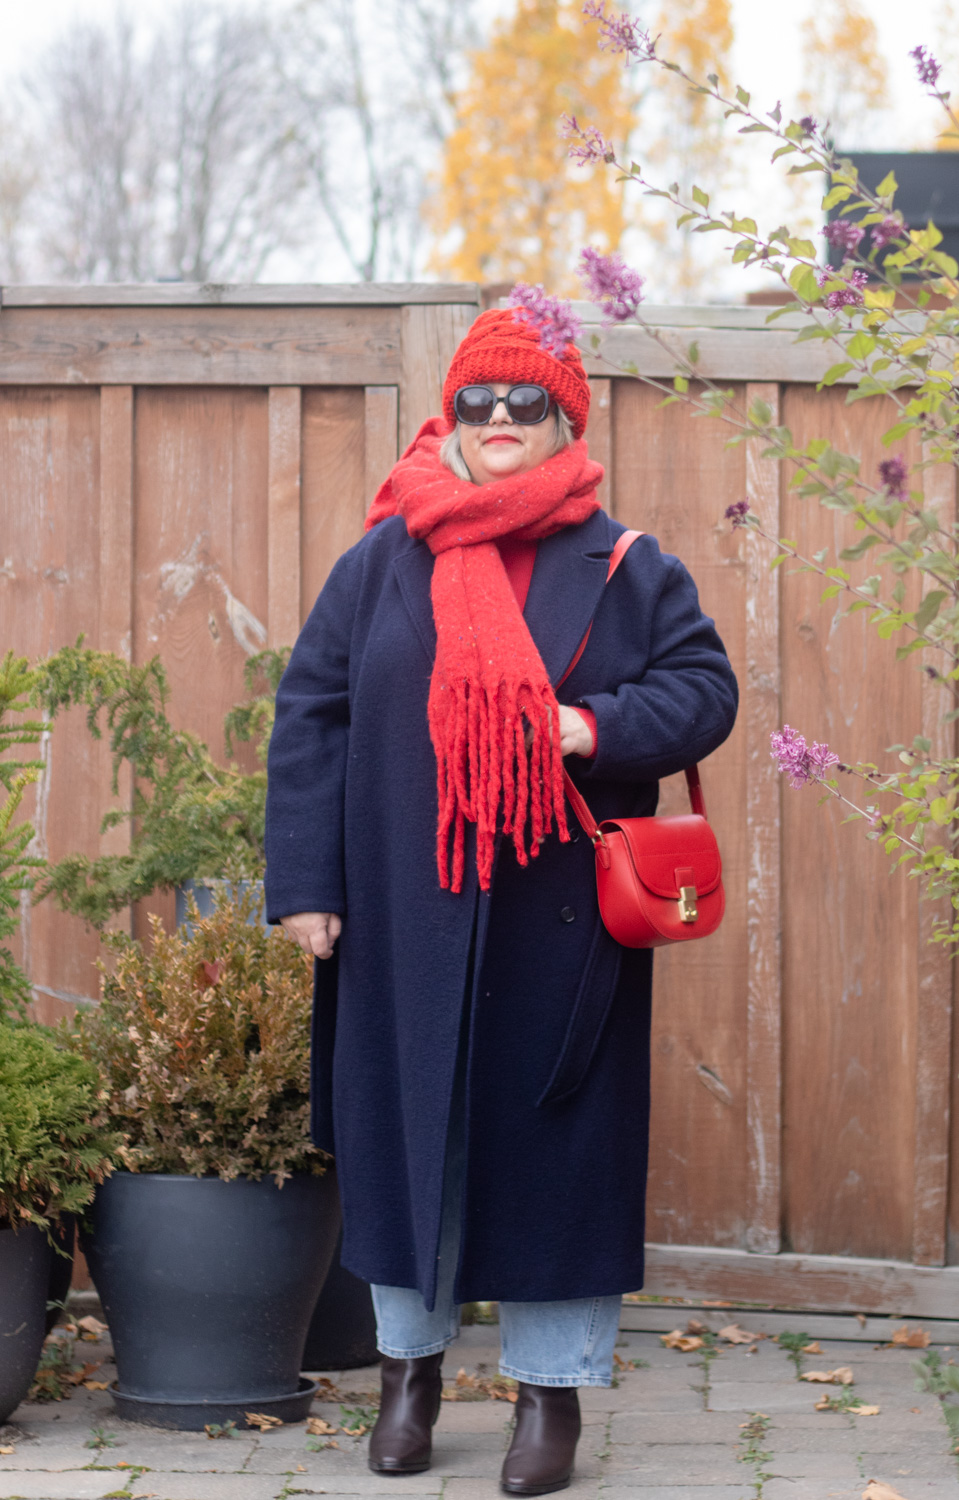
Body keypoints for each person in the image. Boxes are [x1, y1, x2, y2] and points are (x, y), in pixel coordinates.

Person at [265, 306, 738, 1496]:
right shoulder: (383, 558)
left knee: (556, 1152)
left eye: (525, 404)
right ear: (450, 416)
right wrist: (307, 884)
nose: (498, 424)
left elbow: (705, 691)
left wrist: (591, 725)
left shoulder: (626, 567)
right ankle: (408, 1373)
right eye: (476, 402)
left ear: (565, 419)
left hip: (558, 924)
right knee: (397, 1136)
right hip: (397, 913)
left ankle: (548, 1396)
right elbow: (311, 715)